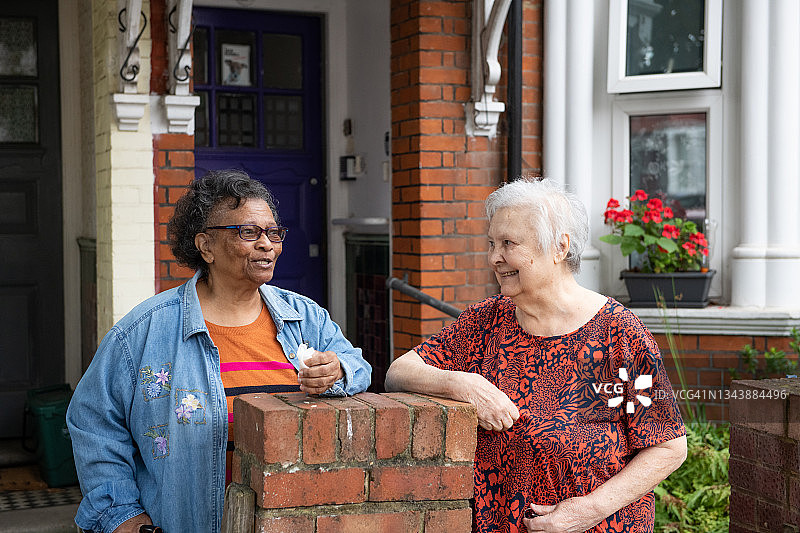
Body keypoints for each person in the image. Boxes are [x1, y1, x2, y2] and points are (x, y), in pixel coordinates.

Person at [67, 169, 371, 533]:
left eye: (273, 233)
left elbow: (358, 365)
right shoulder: (144, 331)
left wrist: (336, 371)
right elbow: (93, 421)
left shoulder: (304, 317)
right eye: (248, 232)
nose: (267, 244)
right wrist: (122, 518)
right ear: (205, 246)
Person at [385, 177, 686, 533]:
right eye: (492, 244)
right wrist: (465, 385)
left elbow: (669, 446)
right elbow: (398, 372)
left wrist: (588, 510)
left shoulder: (619, 334)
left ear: (559, 248)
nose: (495, 258)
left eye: (508, 244)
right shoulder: (486, 320)